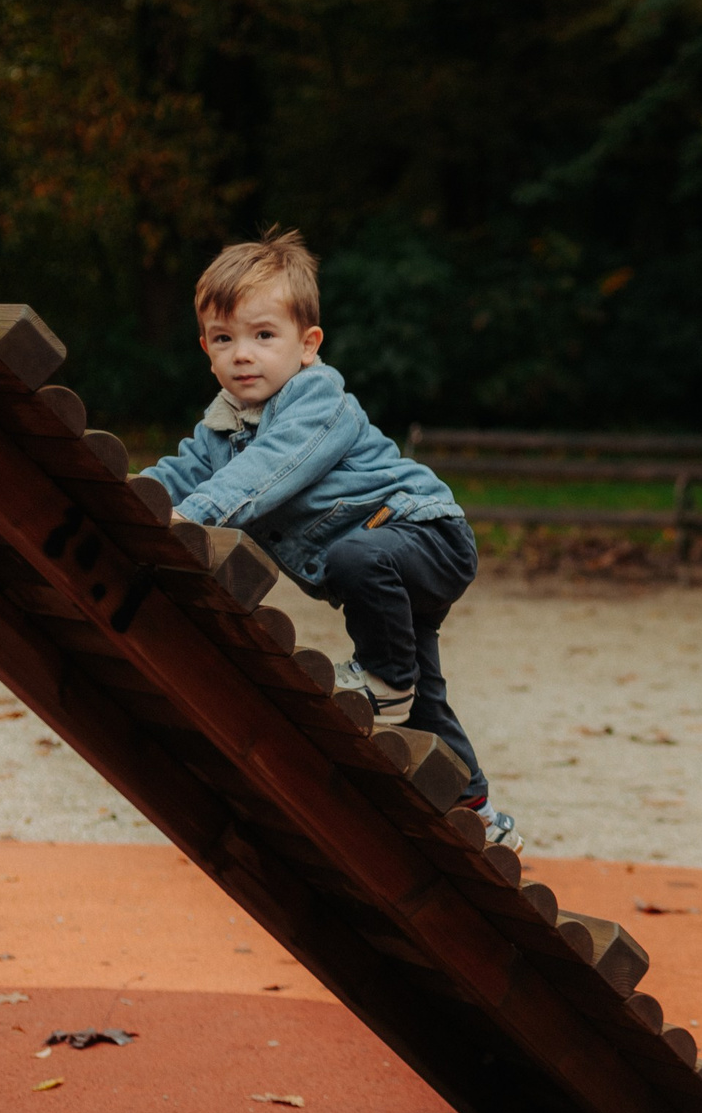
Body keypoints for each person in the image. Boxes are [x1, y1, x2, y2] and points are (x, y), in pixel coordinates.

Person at [146, 228, 519, 851]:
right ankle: (474, 807)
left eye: (264, 336)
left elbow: (271, 469)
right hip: (377, 572)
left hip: (424, 534)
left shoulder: (317, 401)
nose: (243, 355)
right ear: (206, 351)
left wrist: (198, 514)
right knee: (421, 693)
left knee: (369, 599)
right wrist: (134, 494)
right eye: (224, 339)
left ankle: (384, 683)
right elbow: (181, 471)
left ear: (307, 344)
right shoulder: (220, 427)